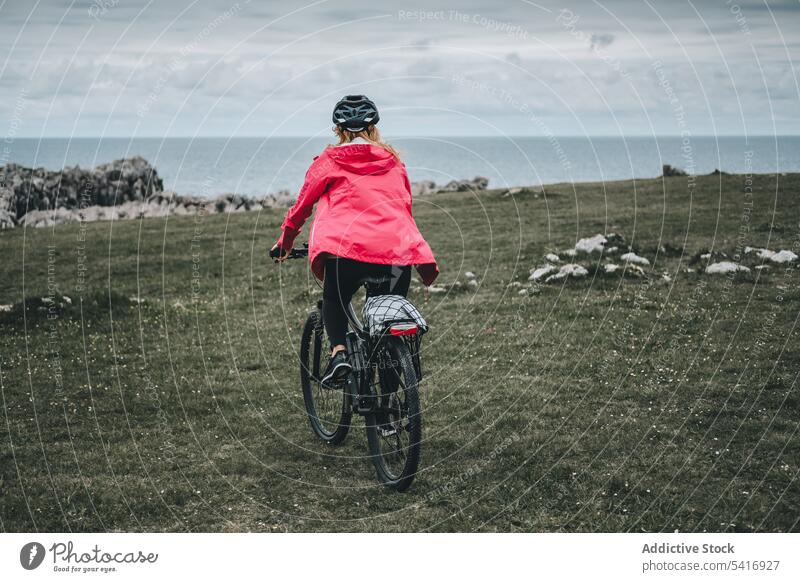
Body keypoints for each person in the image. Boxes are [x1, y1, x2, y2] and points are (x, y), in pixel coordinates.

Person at [272, 95, 438, 385]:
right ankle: (389, 412)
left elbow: (302, 207)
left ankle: (338, 355)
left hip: (344, 251)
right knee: (389, 321)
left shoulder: (328, 161)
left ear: (339, 130)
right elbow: (404, 204)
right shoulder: (394, 161)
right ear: (374, 128)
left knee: (334, 299)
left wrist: (285, 242)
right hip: (396, 253)